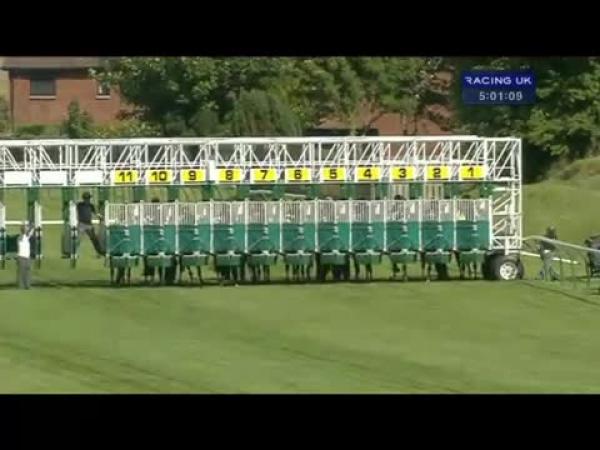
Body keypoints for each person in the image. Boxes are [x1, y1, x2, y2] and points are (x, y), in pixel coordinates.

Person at [76, 192, 104, 256]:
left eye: (89, 198)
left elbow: (95, 213)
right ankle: (75, 253)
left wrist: (100, 216)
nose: (88, 200)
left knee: (94, 239)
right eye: (87, 198)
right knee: (78, 239)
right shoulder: (79, 205)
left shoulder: (91, 206)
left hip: (89, 225)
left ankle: (99, 252)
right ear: (84, 199)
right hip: (81, 224)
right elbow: (75, 207)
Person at [16, 222, 34, 289]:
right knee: (21, 272)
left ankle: (27, 285)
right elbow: (27, 233)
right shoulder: (21, 237)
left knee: (27, 272)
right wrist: (30, 227)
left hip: (27, 257)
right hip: (21, 257)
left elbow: (30, 233)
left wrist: (32, 227)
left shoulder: (26, 237)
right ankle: (21, 286)